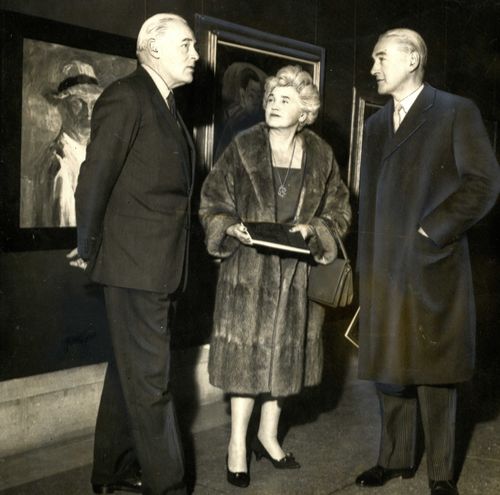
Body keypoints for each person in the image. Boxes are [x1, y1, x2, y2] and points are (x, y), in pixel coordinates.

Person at [355, 28, 500, 495]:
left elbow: (483, 184)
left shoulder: (456, 111)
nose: (373, 68)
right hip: (382, 266)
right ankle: (393, 459)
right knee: (389, 365)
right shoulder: (376, 125)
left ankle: (440, 473)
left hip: (430, 262)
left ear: (412, 58)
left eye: (381, 58)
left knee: (435, 370)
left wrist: (431, 231)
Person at [199, 65, 351, 488]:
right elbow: (212, 200)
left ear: (305, 112)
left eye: (286, 100)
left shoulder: (321, 155)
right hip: (248, 272)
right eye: (270, 98)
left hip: (297, 277)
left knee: (285, 363)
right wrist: (230, 227)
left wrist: (316, 229)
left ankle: (268, 435)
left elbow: (339, 210)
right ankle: (236, 444)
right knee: (246, 365)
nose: (274, 104)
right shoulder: (242, 148)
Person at [71, 13, 199, 495]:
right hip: (137, 267)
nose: (195, 54)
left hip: (155, 266)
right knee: (152, 382)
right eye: (186, 45)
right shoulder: (128, 96)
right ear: (153, 50)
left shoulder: (165, 105)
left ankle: (111, 473)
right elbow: (95, 175)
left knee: (129, 375)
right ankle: (169, 487)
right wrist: (87, 244)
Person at [32, 60, 102, 227]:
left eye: (93, 104)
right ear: (62, 108)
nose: (89, 113)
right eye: (78, 103)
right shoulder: (59, 163)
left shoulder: (91, 153)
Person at [214, 65, 265, 160]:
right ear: (242, 94)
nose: (256, 102)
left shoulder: (259, 122)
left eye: (259, 97)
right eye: (251, 96)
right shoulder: (236, 122)